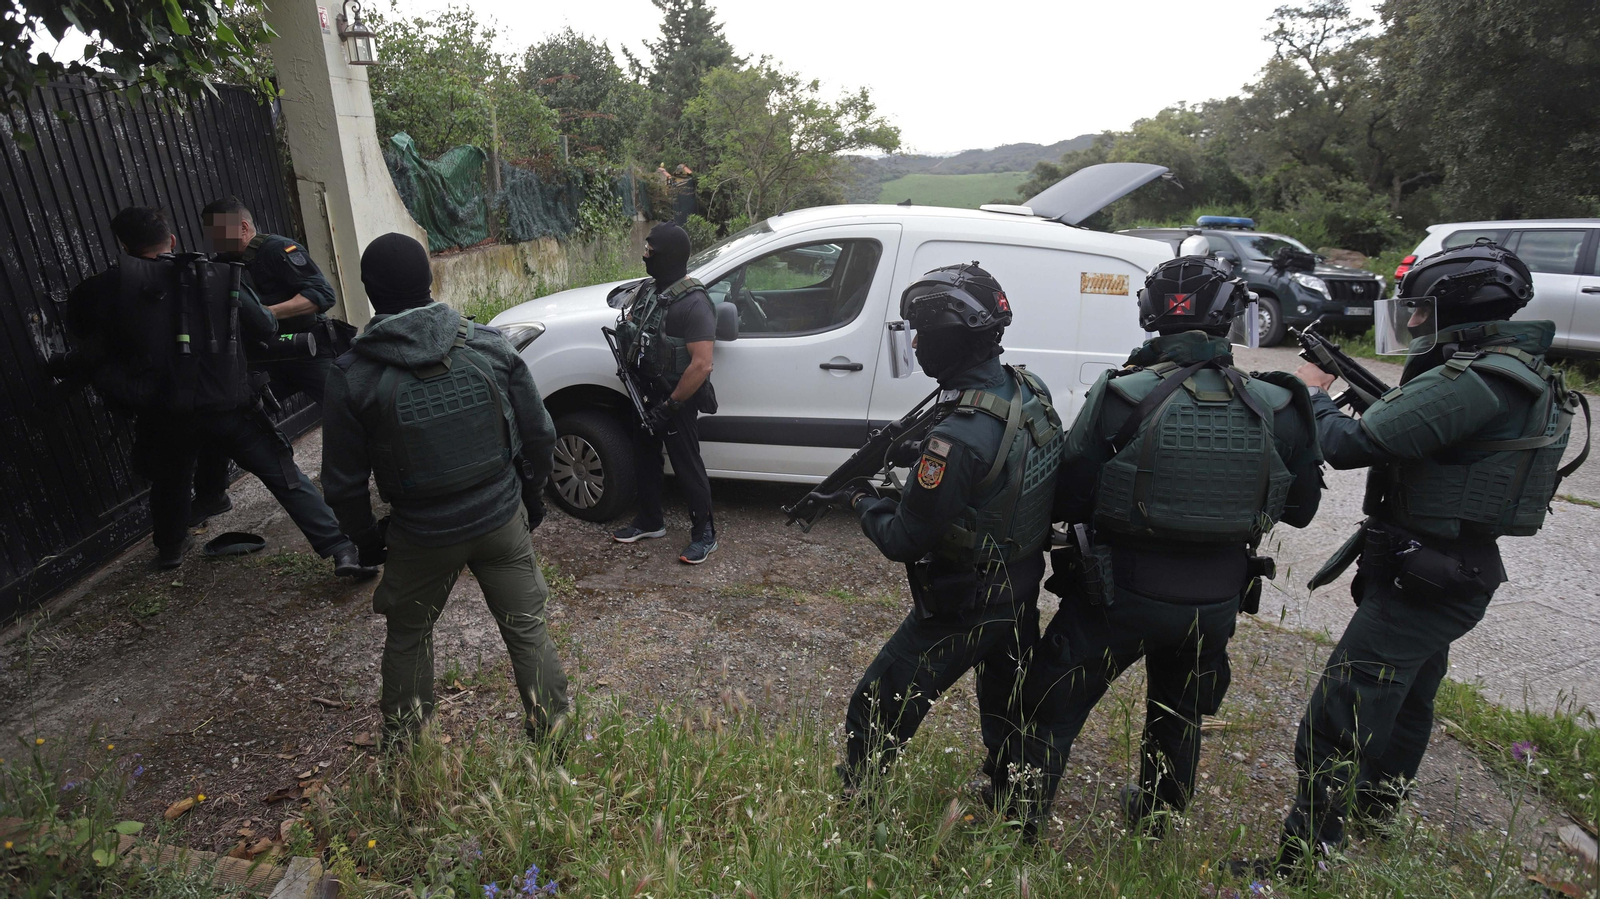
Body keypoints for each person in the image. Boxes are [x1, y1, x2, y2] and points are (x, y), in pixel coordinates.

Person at [1245, 241, 1587, 877]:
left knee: (1340, 712)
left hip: (1427, 573)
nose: (1415, 322)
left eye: (1425, 309)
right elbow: (1424, 436)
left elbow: (1348, 444)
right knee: (1408, 697)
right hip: (1447, 565)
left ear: (1458, 307)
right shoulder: (1508, 368)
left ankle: (1304, 860)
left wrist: (1312, 392)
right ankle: (1378, 810)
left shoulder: (1477, 379)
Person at [1009, 255, 1323, 840]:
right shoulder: (1280, 404)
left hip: (1117, 593)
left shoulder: (1124, 394)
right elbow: (1301, 510)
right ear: (1232, 315)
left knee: (1050, 707)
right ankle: (1157, 818)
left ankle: (1019, 820)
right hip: (1217, 599)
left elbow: (1073, 496)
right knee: (1179, 713)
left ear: (1151, 315)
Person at [805, 263, 1063, 801]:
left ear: (952, 338)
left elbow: (904, 539)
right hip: (1019, 586)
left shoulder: (955, 438)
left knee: (879, 701)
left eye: (925, 332)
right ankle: (1014, 805)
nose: (917, 343)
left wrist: (859, 498)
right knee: (1007, 706)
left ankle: (860, 800)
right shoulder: (1024, 387)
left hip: (967, 598)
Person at [321, 232, 569, 745]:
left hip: (420, 533)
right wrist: (532, 496)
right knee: (527, 628)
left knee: (409, 637)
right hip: (500, 518)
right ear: (430, 280)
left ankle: (413, 755)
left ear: (368, 290)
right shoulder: (488, 344)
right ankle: (555, 736)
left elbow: (343, 484)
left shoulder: (352, 375)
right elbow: (540, 433)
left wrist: (368, 541)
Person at [62, 206, 373, 574]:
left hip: (165, 412)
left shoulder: (103, 289)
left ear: (124, 246)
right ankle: (341, 550)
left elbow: (87, 342)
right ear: (172, 240)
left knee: (171, 479)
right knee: (284, 475)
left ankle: (171, 550)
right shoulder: (216, 274)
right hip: (229, 404)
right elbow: (264, 327)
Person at [190, 197, 345, 524]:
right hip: (262, 361)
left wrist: (263, 314)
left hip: (305, 351)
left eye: (218, 232)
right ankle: (211, 496)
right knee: (220, 416)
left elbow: (322, 295)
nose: (212, 239)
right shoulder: (220, 265)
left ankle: (379, 474)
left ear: (243, 227)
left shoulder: (277, 250)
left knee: (351, 410)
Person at [610, 222, 719, 564]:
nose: (645, 256)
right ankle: (649, 520)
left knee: (687, 466)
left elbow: (701, 365)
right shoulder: (648, 292)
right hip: (644, 394)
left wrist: (671, 406)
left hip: (676, 399)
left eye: (650, 251)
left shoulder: (694, 303)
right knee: (644, 457)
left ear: (667, 255)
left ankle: (705, 534)